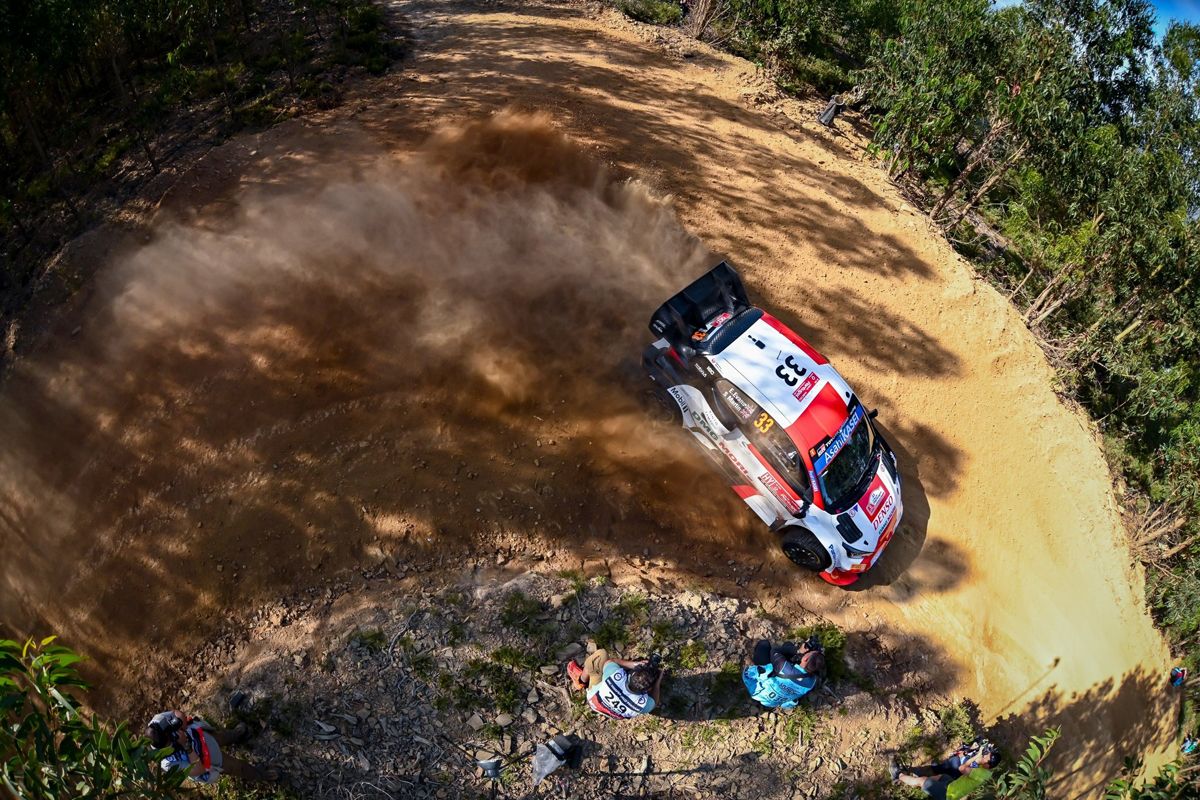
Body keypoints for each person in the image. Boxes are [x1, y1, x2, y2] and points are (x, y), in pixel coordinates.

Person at [146, 710, 280, 784]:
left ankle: (237, 735)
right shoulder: (168, 763)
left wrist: (181, 724)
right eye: (171, 738)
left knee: (222, 736)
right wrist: (185, 745)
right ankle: (261, 775)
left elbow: (177, 713)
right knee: (238, 767)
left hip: (202, 736)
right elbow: (199, 769)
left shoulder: (158, 721)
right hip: (210, 759)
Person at [889, 738, 999, 800]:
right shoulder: (985, 771)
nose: (983, 756)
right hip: (952, 785)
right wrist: (978, 759)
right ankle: (922, 782)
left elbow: (962, 768)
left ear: (988, 765)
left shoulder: (981, 773)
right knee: (941, 776)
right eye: (985, 755)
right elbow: (970, 767)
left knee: (922, 781)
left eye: (986, 757)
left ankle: (898, 775)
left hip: (950, 796)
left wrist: (976, 757)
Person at [566, 650, 663, 719]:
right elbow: (654, 702)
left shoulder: (614, 676)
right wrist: (658, 681)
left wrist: (635, 664)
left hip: (595, 701)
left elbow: (611, 662)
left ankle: (581, 681)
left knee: (601, 655)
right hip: (613, 714)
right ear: (647, 690)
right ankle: (581, 681)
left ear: (630, 675)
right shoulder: (643, 704)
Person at [742, 638, 825, 709]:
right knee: (787, 645)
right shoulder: (812, 682)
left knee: (764, 644)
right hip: (775, 702)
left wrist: (798, 651)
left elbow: (775, 651)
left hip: (759, 694)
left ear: (805, 658)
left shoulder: (784, 667)